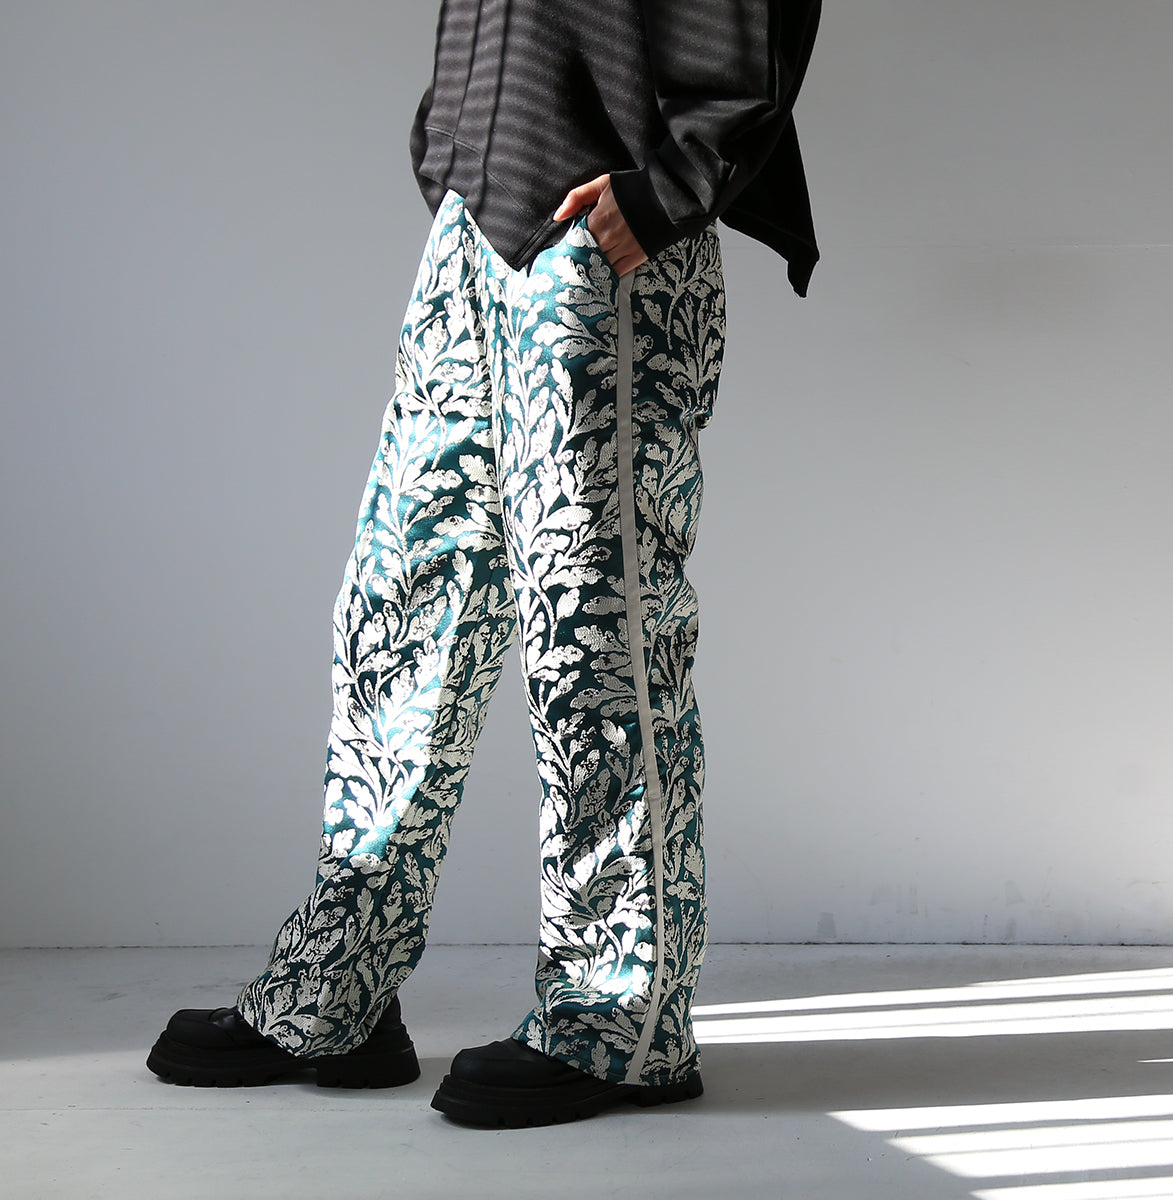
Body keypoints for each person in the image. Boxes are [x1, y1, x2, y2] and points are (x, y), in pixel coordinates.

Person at [146, 0, 822, 1127]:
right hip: (481, 217)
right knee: (401, 612)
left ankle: (620, 1021)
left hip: (609, 238)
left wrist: (667, 186)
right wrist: (452, 143)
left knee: (595, 643)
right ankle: (338, 989)